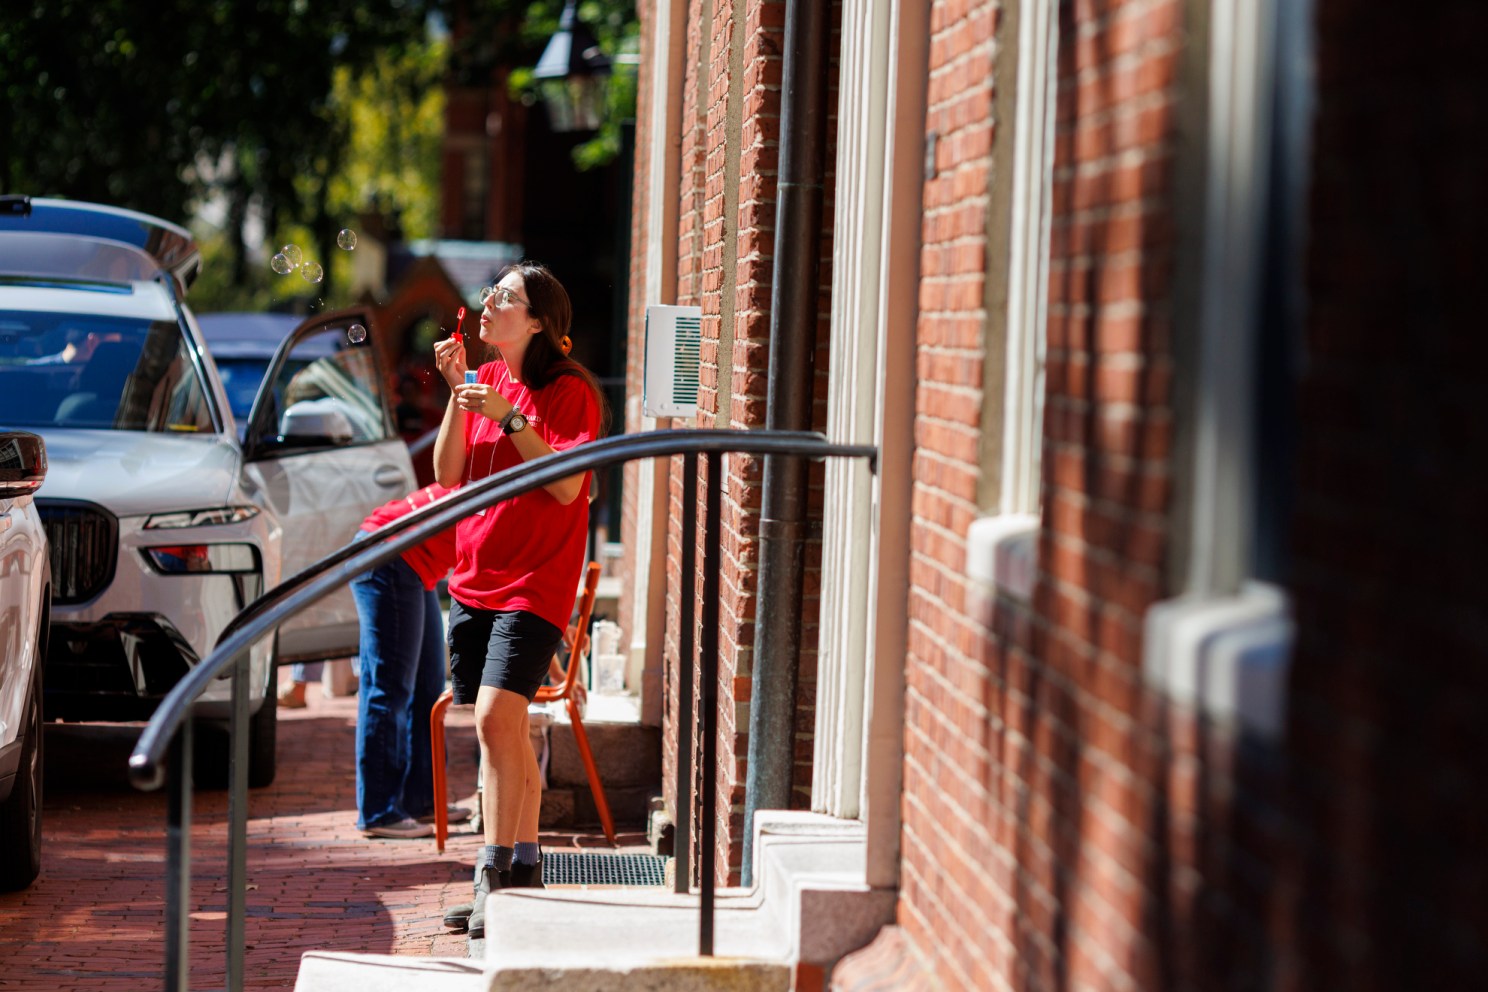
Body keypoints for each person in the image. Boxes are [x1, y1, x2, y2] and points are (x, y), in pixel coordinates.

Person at [431, 261, 606, 939]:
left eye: (506, 297)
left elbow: (566, 487)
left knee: (494, 723)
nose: (488, 303)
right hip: (474, 577)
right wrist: (459, 391)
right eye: (492, 293)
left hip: (534, 583)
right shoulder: (487, 382)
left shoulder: (570, 392)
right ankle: (526, 870)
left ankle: (492, 877)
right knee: (500, 729)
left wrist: (508, 417)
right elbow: (449, 472)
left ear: (537, 321)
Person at [349, 483, 470, 838]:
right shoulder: (510, 485)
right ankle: (379, 811)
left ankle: (421, 797)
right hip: (389, 553)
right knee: (388, 689)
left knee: (428, 686)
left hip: (416, 566)